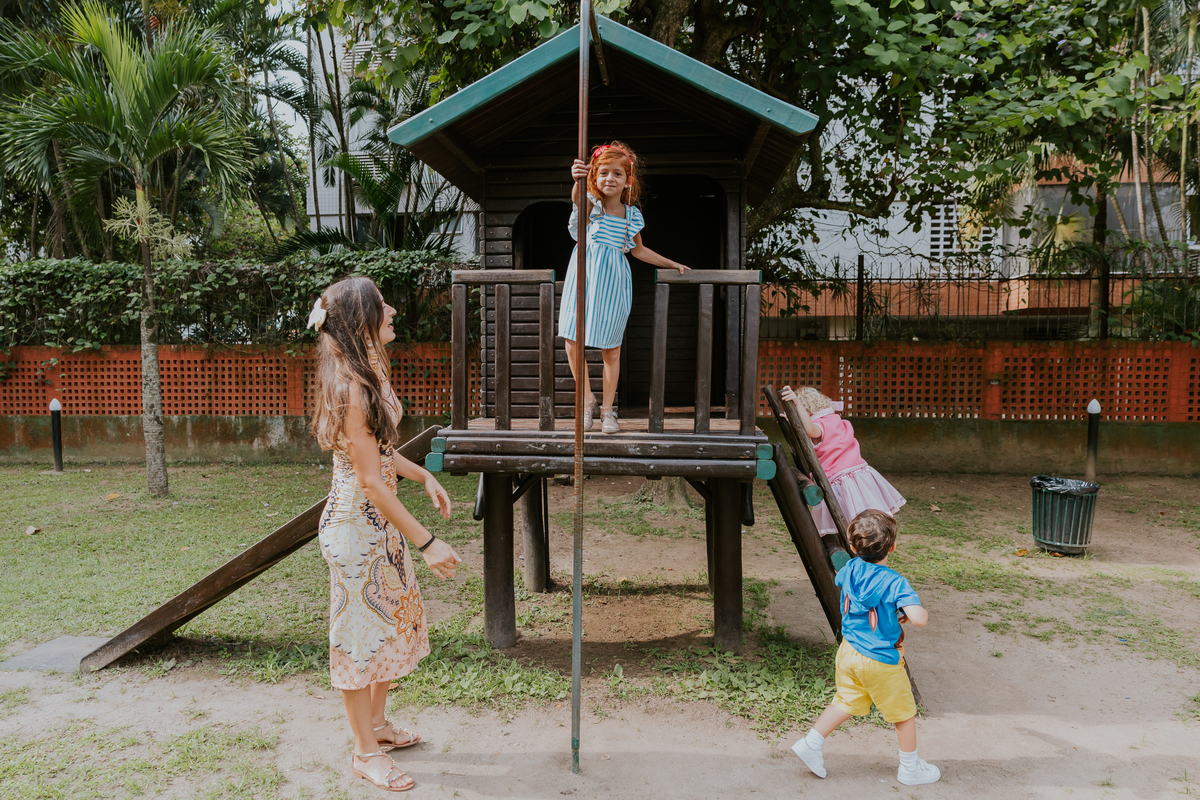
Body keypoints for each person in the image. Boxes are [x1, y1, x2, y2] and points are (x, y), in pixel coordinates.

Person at [307, 276, 463, 793]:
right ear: (361, 322)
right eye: (382, 305)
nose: (393, 309)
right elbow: (370, 482)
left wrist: (422, 475)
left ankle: (376, 726)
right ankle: (363, 753)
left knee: (389, 627)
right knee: (358, 641)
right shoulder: (351, 386)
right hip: (357, 530)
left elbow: (377, 453)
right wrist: (428, 541)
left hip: (379, 524)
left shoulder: (367, 372)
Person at [791, 510, 939, 786]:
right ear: (892, 547)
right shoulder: (895, 582)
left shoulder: (849, 569)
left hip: (849, 653)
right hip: (880, 661)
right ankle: (909, 769)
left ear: (851, 546)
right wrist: (912, 610)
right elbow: (919, 619)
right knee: (903, 714)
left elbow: (848, 588)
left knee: (846, 701)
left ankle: (811, 744)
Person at [560, 141, 690, 434]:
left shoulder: (632, 215)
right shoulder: (592, 204)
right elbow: (579, 199)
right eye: (603, 172)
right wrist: (578, 180)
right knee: (572, 341)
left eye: (617, 173)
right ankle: (587, 400)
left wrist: (671, 263)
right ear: (595, 176)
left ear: (627, 180)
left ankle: (607, 411)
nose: (610, 178)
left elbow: (639, 251)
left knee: (611, 350)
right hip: (583, 277)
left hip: (614, 282)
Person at [780, 385, 905, 534]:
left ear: (805, 409)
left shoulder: (821, 425)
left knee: (850, 522)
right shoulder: (836, 420)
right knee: (866, 520)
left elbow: (810, 430)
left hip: (841, 479)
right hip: (860, 474)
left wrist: (797, 405)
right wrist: (793, 420)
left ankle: (857, 547)